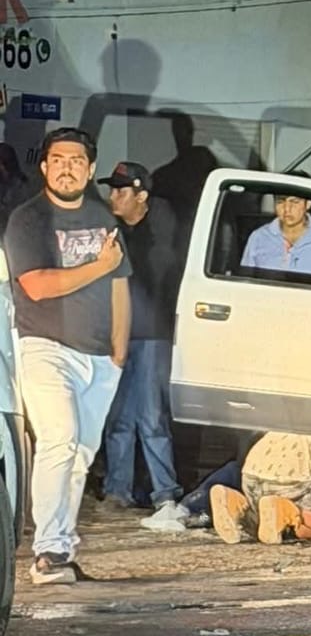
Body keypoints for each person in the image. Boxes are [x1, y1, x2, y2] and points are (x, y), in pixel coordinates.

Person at [3, 127, 130, 584]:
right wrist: (98, 265)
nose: (66, 168)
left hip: (98, 357)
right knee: (60, 437)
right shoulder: (28, 219)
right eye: (58, 160)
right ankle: (47, 552)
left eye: (76, 161)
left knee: (81, 453)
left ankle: (61, 548)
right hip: (45, 345)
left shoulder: (102, 217)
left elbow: (120, 284)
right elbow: (36, 285)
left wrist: (118, 352)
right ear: (44, 166)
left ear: (90, 169)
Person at [95, 160, 184, 513]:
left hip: (151, 334)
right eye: (112, 190)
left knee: (151, 416)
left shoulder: (161, 229)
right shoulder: (113, 231)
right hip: (118, 333)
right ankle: (118, 490)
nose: (113, 197)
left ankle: (165, 493)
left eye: (121, 191)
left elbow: (160, 274)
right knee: (118, 416)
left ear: (141, 196)